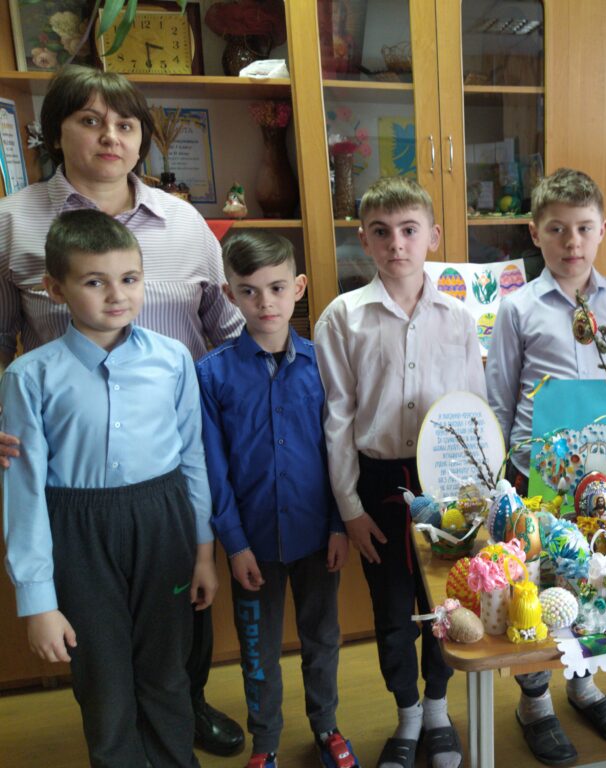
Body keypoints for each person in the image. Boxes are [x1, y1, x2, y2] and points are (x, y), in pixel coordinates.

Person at [0, 64, 245, 754]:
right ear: (55, 132)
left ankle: (185, 710)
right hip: (68, 462)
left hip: (172, 453)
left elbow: (228, 330)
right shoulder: (14, 221)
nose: (110, 136)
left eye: (126, 123)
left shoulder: (183, 221)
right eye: (90, 120)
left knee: (178, 627)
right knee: (104, 658)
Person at [1, 209, 217, 766]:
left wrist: (203, 553)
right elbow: (23, 491)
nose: (117, 295)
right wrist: (38, 601)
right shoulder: (29, 376)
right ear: (56, 289)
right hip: (77, 530)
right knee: (103, 680)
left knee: (167, 670)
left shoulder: (173, 359)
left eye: (129, 278)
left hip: (163, 521)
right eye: (94, 282)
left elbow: (192, 459)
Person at [315, 177, 484, 768]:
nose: (397, 244)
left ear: (433, 235)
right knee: (392, 611)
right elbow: (337, 419)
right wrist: (350, 509)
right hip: (377, 482)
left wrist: (477, 498)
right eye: (382, 232)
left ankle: (437, 711)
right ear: (364, 239)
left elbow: (474, 408)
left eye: (410, 230)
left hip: (446, 483)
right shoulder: (343, 318)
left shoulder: (459, 318)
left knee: (446, 604)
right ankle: (407, 715)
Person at [486, 168, 606, 766]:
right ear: (535, 233)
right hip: (537, 477)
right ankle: (534, 702)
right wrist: (502, 480)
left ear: (603, 229)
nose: (571, 241)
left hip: (604, 478)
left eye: (583, 228)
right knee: (539, 586)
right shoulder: (518, 308)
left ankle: (584, 685)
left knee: (597, 579)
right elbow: (499, 397)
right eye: (556, 229)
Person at [196, 231, 357, 768]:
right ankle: (265, 743)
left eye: (277, 288)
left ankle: (327, 727)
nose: (265, 303)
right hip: (253, 544)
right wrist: (234, 544)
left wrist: (338, 525)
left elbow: (339, 453)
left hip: (317, 537)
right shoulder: (211, 374)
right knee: (258, 650)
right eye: (248, 291)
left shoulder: (323, 365)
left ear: (299, 287)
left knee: (322, 638)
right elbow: (213, 469)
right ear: (229, 294)